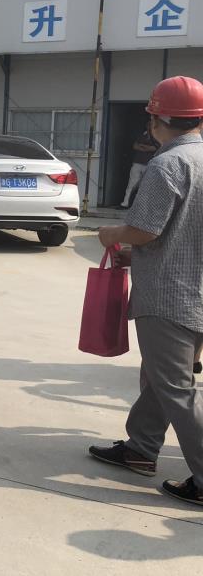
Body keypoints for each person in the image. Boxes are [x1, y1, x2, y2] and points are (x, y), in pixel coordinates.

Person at [90, 75, 203, 507]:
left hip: (169, 297)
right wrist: (136, 256)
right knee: (162, 377)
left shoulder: (167, 164)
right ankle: (141, 448)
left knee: (175, 388)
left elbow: (145, 229)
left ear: (157, 120)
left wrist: (112, 234)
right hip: (195, 290)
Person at [120, 120, 159, 208]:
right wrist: (147, 148)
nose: (150, 127)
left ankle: (143, 205)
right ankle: (126, 203)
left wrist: (142, 146)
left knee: (147, 185)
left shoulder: (157, 136)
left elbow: (154, 148)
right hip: (137, 162)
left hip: (149, 164)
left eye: (151, 125)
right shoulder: (142, 135)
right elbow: (135, 146)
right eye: (148, 125)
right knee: (132, 184)